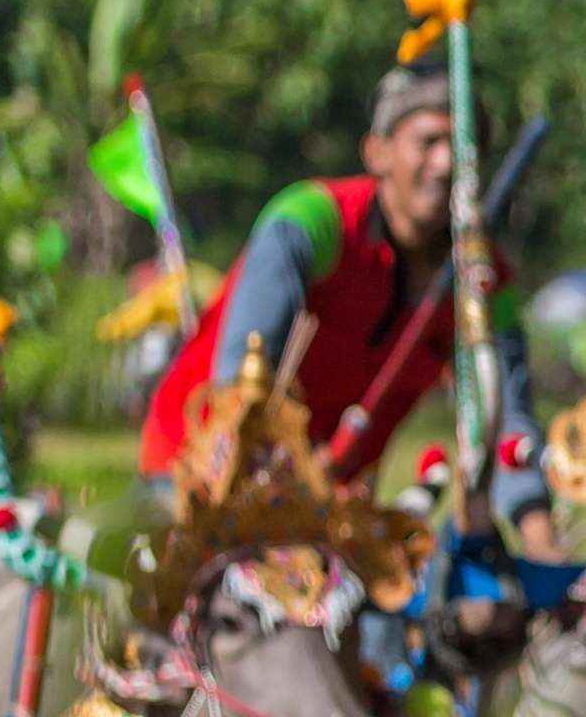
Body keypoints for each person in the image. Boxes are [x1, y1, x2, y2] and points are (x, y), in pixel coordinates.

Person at [139, 62, 559, 558]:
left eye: (464, 150)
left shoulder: (484, 281)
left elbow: (508, 421)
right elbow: (240, 386)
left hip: (329, 510)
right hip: (201, 477)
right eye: (428, 142)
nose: (446, 163)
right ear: (376, 153)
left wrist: (543, 547)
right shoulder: (313, 221)